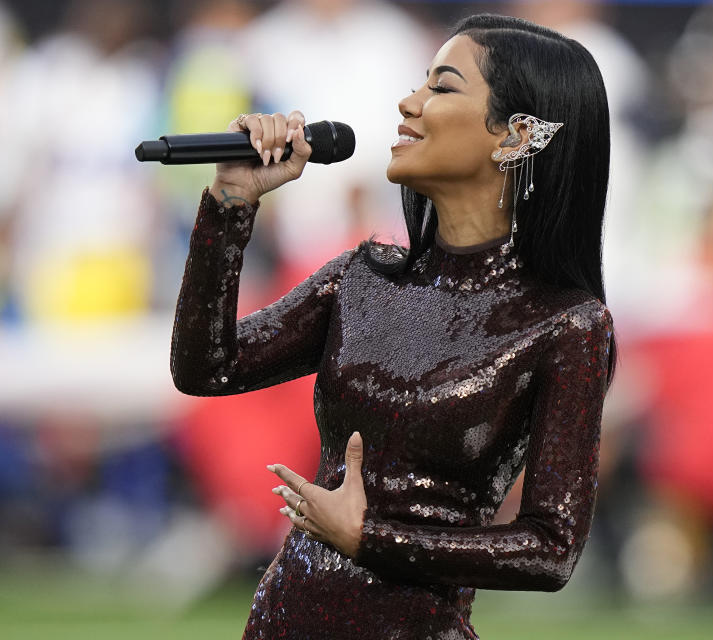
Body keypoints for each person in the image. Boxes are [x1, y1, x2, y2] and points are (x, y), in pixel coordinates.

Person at [170, 13, 617, 639]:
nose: (408, 103)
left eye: (442, 87)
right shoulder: (361, 278)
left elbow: (551, 549)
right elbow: (205, 369)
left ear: (516, 135)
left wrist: (369, 536)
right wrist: (231, 205)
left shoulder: (565, 325)